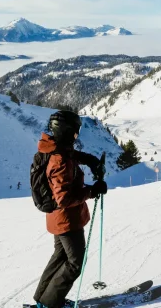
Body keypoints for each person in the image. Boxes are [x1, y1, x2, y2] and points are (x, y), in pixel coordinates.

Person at [33, 110, 107, 308]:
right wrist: (91, 191)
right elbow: (64, 198)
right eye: (75, 131)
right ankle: (50, 303)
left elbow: (71, 155)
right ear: (67, 131)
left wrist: (90, 160)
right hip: (66, 219)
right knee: (74, 263)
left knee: (60, 256)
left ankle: (43, 300)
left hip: (58, 217)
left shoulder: (53, 148)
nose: (77, 135)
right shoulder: (60, 160)